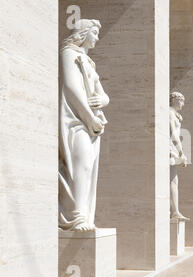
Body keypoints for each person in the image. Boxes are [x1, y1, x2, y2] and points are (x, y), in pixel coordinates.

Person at [59, 19, 110, 231]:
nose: (97, 38)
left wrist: (103, 101)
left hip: (94, 124)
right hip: (76, 119)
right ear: (84, 33)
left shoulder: (88, 62)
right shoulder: (69, 53)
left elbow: (104, 94)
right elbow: (71, 87)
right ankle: (76, 217)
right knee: (80, 163)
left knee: (88, 166)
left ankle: (85, 215)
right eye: (95, 33)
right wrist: (89, 118)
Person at [169, 92, 189, 221]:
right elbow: (172, 132)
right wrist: (180, 151)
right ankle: (174, 211)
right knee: (172, 180)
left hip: (173, 148)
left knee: (174, 180)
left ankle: (175, 210)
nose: (182, 103)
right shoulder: (170, 113)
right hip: (170, 147)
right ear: (174, 100)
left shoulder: (175, 114)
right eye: (181, 100)